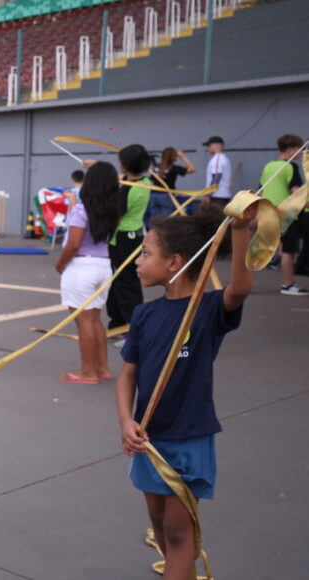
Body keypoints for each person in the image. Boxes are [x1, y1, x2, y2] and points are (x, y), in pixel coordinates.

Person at [116, 204, 255, 580]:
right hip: (150, 440)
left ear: (175, 261)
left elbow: (240, 287)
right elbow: (127, 376)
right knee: (160, 526)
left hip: (189, 439)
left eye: (145, 253)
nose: (138, 261)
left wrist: (241, 230)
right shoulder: (145, 315)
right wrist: (127, 421)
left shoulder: (207, 309)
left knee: (179, 535)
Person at [54, 163, 122, 384]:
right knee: (94, 320)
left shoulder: (81, 210)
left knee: (84, 322)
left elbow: (73, 244)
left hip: (81, 268)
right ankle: (101, 368)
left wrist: (60, 265)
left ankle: (88, 372)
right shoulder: (113, 209)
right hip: (103, 267)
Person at [107, 145, 153, 335]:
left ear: (125, 165)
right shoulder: (146, 181)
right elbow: (121, 179)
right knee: (119, 281)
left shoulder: (128, 191)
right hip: (135, 236)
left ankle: (132, 329)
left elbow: (114, 214)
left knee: (126, 284)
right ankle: (118, 323)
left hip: (123, 239)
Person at [258, 134, 307, 296]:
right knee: (289, 250)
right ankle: (288, 284)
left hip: (269, 213)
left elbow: (261, 190)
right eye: (300, 150)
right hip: (287, 215)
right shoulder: (290, 167)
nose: (301, 153)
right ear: (291, 149)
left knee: (269, 249)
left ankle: (244, 282)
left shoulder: (268, 166)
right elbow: (296, 192)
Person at [152, 147, 196, 218]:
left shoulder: (155, 167)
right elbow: (192, 169)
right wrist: (183, 156)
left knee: (154, 220)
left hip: (154, 195)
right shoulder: (173, 168)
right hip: (167, 195)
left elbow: (151, 179)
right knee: (166, 220)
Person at [202, 136, 232, 209]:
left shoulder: (218, 158)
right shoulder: (223, 158)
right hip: (222, 195)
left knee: (214, 219)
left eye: (209, 146)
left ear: (217, 145)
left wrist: (208, 195)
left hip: (217, 196)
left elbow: (216, 177)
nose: (207, 148)